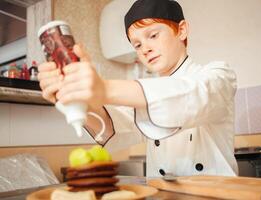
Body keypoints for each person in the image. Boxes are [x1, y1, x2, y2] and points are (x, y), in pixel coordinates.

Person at [38, 0, 238, 177]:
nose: (145, 49)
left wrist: (103, 88)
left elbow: (190, 95)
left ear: (182, 30)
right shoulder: (145, 97)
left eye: (153, 35)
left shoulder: (219, 74)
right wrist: (78, 100)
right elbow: (118, 128)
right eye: (137, 44)